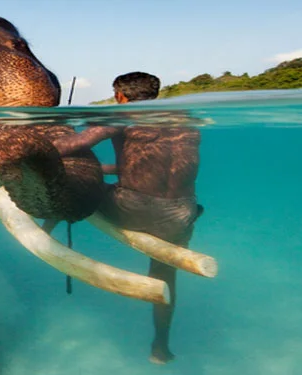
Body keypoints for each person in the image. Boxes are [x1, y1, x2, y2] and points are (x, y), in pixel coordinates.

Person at [54, 71, 204, 364]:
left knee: (80, 183)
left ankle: (56, 214)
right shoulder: (184, 119)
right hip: (182, 213)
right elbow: (144, 168)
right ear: (154, 94)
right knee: (164, 276)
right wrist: (103, 168)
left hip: (134, 209)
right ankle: (160, 348)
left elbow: (70, 147)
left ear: (120, 95)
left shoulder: (122, 114)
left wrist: (35, 148)